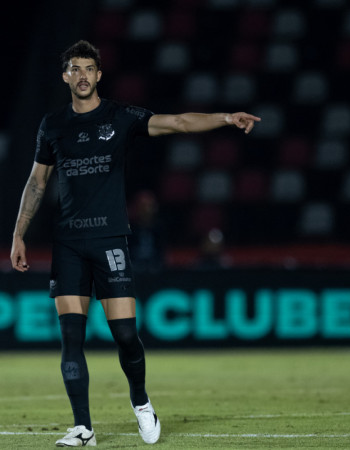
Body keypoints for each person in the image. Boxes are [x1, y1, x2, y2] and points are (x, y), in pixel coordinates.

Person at [10, 40, 260, 447]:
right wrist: (19, 233)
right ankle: (83, 427)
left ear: (99, 75)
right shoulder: (52, 125)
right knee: (70, 338)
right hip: (70, 243)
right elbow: (37, 182)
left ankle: (141, 402)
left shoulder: (119, 116)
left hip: (110, 238)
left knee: (125, 335)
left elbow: (177, 123)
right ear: (66, 77)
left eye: (90, 68)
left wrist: (226, 117)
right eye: (75, 68)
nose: (83, 75)